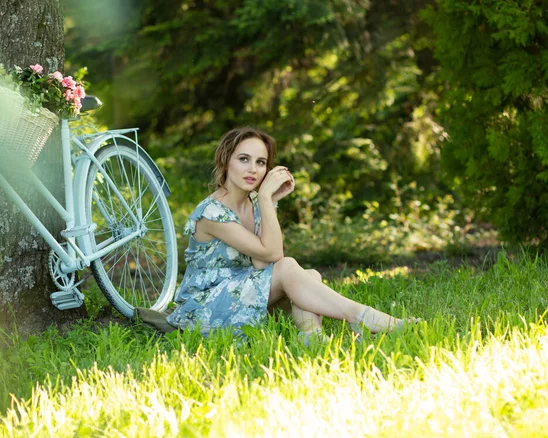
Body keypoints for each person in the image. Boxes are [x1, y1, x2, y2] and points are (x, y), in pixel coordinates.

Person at [150, 126, 417, 340]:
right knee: (291, 269)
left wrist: (266, 202)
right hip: (204, 307)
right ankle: (367, 318)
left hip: (240, 293)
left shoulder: (253, 202)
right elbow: (276, 255)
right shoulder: (212, 213)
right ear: (226, 160)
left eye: (260, 162)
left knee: (309, 276)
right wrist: (267, 199)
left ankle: (312, 337)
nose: (253, 169)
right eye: (243, 159)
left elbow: (265, 262)